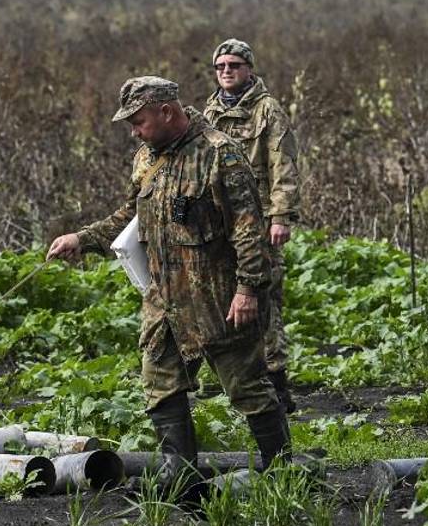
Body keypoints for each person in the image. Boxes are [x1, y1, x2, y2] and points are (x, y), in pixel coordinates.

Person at [47, 76, 290, 484]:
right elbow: (130, 217)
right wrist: (83, 239)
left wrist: (248, 289)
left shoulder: (219, 156)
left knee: (246, 387)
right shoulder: (147, 157)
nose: (134, 131)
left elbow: (249, 230)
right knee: (159, 382)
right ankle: (182, 476)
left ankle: (282, 470)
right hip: (163, 297)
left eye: (139, 121)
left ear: (166, 112)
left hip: (217, 296)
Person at [203, 39, 302, 413]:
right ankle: (237, 380)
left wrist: (280, 216)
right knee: (223, 297)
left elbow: (284, 166)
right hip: (219, 222)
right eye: (220, 66)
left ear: (249, 69)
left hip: (259, 219)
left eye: (234, 65)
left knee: (264, 298)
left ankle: (277, 385)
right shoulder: (208, 113)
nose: (226, 71)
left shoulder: (267, 111)